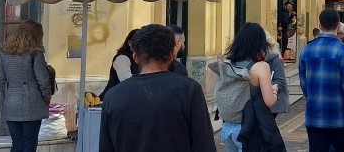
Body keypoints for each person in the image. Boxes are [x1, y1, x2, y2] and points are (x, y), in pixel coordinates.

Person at [99, 24, 215, 152]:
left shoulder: (113, 96)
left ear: (135, 57)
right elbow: (204, 145)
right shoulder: (189, 90)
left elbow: (106, 147)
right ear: (172, 55)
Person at [299, 8, 344, 152]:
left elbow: (304, 85)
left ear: (319, 25)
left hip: (315, 117)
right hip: (340, 119)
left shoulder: (306, 50)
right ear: (338, 26)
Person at [211, 23, 284, 152]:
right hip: (248, 129)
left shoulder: (229, 64)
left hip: (227, 128)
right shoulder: (261, 67)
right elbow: (269, 101)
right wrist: (274, 90)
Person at [0, 19, 53, 152]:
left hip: (11, 103)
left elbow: (0, 80)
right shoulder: (35, 53)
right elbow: (43, 80)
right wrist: (47, 98)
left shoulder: (5, 53)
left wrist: (7, 97)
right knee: (29, 144)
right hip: (32, 103)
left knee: (17, 144)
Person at [99, 29, 139, 100]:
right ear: (129, 43)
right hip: (115, 98)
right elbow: (126, 80)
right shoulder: (122, 58)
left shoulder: (141, 57)